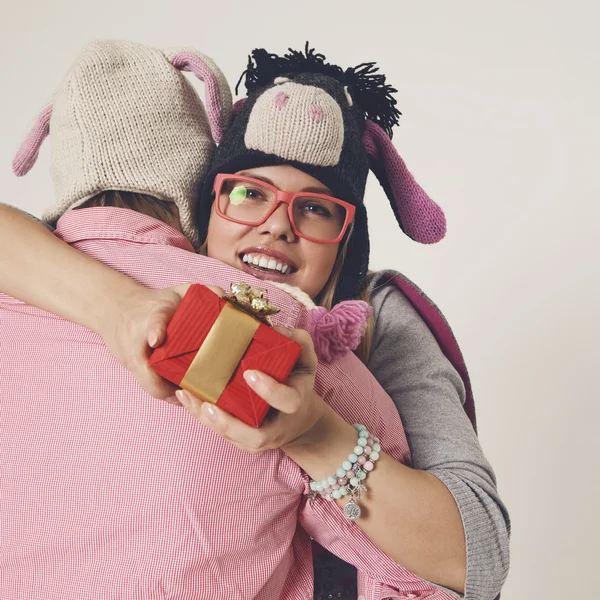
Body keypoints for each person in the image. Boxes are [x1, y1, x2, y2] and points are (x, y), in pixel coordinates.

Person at [0, 42, 510, 599]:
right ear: (203, 203)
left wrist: (315, 431)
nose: (276, 227)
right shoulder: (97, 275)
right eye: (248, 193)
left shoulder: (377, 318)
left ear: (348, 241)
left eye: (316, 208)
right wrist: (117, 306)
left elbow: (475, 555)